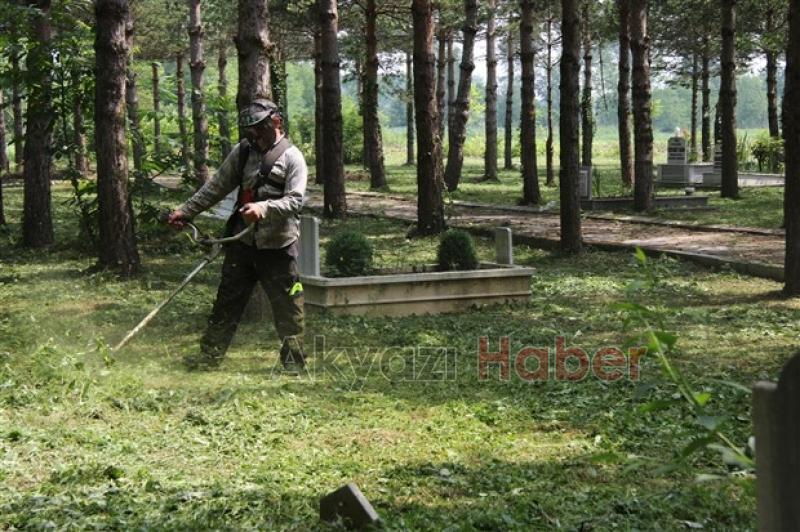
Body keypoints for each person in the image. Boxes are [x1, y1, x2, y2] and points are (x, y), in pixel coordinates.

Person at [167, 99, 308, 370]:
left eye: (259, 129)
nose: (253, 135)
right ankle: (209, 358)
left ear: (275, 123)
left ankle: (294, 364)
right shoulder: (242, 152)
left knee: (288, 308)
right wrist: (185, 212)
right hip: (242, 243)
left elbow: (295, 201)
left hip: (278, 247)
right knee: (226, 303)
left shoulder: (293, 157)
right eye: (249, 131)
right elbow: (216, 187)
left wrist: (263, 207)